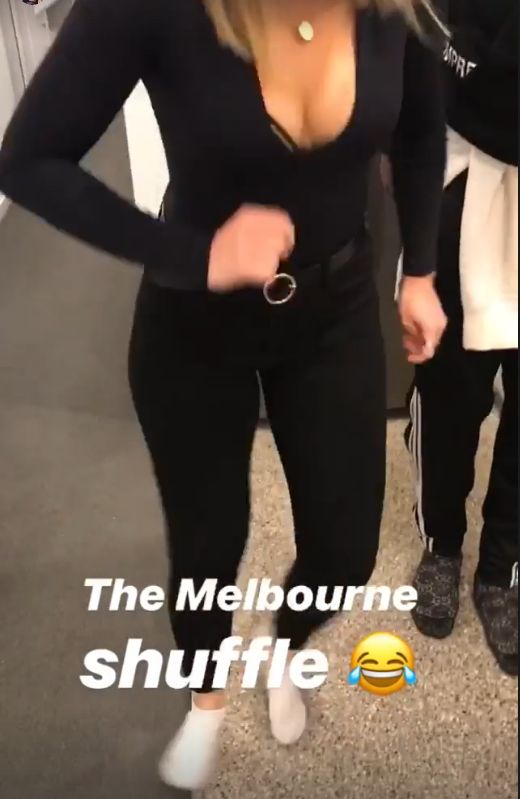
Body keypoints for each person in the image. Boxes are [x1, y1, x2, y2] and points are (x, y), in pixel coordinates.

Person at [0, 0, 448, 789]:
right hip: (193, 323)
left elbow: (418, 131)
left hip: (336, 307)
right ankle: (206, 697)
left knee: (345, 550)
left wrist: (421, 272)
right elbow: (29, 159)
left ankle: (283, 645)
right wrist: (191, 253)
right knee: (207, 545)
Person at [406, 0, 518, 676]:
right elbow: (453, 48)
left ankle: (502, 567)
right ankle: (442, 543)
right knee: (450, 389)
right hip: (471, 166)